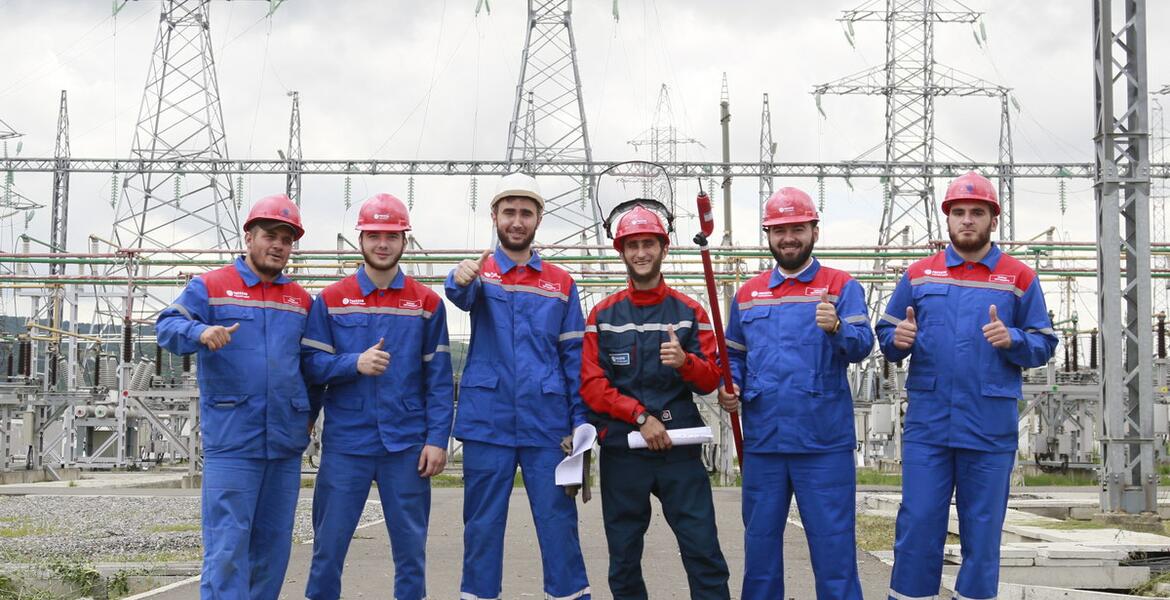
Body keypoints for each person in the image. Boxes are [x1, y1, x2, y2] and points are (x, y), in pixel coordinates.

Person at [876, 171, 1058, 600]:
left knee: (983, 530)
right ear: (948, 218)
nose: (967, 220)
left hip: (989, 425)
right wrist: (898, 339)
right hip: (929, 425)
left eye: (977, 212)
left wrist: (1014, 340)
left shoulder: (1018, 277)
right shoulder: (919, 275)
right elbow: (886, 334)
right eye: (959, 212)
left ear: (993, 219)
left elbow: (1045, 342)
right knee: (918, 524)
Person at [155, 194, 314, 600]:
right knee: (227, 547)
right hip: (233, 440)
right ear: (249, 237)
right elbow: (166, 327)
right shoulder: (210, 287)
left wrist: (309, 414)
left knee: (273, 549)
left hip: (284, 443)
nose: (279, 245)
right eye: (270, 236)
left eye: (287, 239)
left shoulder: (300, 300)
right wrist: (200, 331)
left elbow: (313, 366)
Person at [716, 187, 871, 599]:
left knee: (834, 552)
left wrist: (838, 327)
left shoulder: (840, 286)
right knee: (760, 552)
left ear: (814, 231)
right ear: (768, 235)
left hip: (824, 444)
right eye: (779, 230)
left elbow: (862, 346)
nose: (788, 238)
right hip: (765, 443)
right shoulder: (748, 295)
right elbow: (733, 357)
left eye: (797, 229)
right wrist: (730, 386)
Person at [301, 193, 454, 600]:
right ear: (361, 240)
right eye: (374, 235)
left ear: (405, 240)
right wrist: (354, 363)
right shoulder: (331, 300)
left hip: (406, 446)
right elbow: (312, 366)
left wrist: (437, 440)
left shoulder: (426, 303)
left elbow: (439, 380)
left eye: (391, 235)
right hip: (347, 445)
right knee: (327, 549)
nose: (382, 244)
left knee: (411, 553)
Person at [445, 172, 591, 600]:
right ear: (494, 216)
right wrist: (459, 277)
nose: (517, 220)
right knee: (482, 527)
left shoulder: (561, 283)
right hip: (487, 422)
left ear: (538, 219)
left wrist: (580, 424)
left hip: (548, 425)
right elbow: (459, 294)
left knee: (558, 525)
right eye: (509, 211)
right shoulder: (481, 273)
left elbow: (574, 356)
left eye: (526, 212)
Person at [580, 202, 731, 600]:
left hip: (680, 449)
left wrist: (686, 363)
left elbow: (711, 380)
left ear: (664, 248)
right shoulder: (603, 315)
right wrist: (639, 416)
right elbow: (592, 385)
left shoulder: (690, 311)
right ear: (621, 252)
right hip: (624, 449)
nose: (641, 252)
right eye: (632, 245)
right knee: (624, 559)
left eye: (649, 243)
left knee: (703, 551)